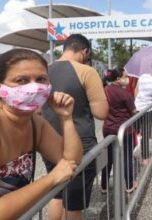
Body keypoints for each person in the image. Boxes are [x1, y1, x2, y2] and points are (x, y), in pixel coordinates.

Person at [0, 48, 82, 219]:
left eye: (41, 79)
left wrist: (66, 118)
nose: (34, 87)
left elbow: (71, 161)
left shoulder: (34, 122)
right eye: (21, 80)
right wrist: (51, 179)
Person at [41, 34, 109, 220]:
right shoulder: (87, 71)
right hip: (80, 142)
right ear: (84, 51)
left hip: (48, 140)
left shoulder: (44, 71)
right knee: (74, 202)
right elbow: (101, 113)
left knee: (56, 193)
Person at [101, 68, 137, 193]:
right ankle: (129, 184)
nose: (126, 79)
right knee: (126, 156)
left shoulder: (104, 90)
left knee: (109, 157)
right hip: (123, 130)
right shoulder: (124, 93)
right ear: (118, 79)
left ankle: (104, 185)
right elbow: (133, 112)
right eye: (125, 76)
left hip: (107, 128)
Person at [134, 61, 152, 166]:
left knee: (133, 132)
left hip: (137, 109)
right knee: (145, 134)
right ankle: (145, 158)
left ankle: (129, 153)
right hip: (148, 110)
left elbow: (136, 91)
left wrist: (135, 103)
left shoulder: (142, 77)